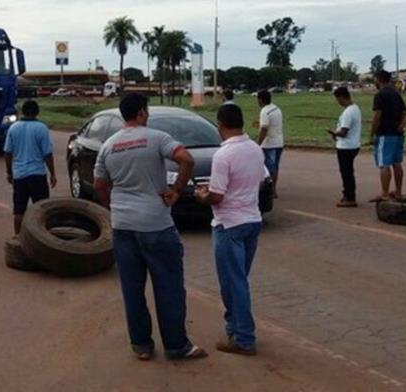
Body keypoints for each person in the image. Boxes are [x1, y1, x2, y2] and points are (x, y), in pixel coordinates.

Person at [93, 93, 207, 361]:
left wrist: (114, 208)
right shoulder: (157, 138)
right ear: (142, 113)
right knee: (168, 286)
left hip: (123, 227)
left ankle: (142, 346)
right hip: (155, 224)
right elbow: (186, 159)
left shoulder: (108, 146)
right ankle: (176, 346)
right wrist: (176, 190)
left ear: (124, 115)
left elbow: (99, 184)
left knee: (132, 288)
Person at [195, 103, 268, 356]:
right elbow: (258, 183)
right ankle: (235, 328)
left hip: (229, 224)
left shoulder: (223, 155)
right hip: (252, 220)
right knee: (239, 280)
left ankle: (244, 337)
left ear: (220, 126)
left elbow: (216, 196)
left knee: (233, 284)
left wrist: (201, 195)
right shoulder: (255, 150)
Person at [3, 100, 57, 235]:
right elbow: (47, 154)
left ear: (22, 112)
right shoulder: (41, 128)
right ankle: (43, 238)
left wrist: (9, 172)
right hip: (37, 174)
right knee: (42, 210)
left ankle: (17, 238)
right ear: (37, 112)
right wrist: (53, 174)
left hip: (20, 175)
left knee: (19, 211)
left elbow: (8, 152)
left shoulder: (13, 128)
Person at [370, 70, 406, 201]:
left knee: (384, 164)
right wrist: (400, 127)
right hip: (398, 134)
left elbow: (377, 116)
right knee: (397, 163)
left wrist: (371, 134)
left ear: (378, 79)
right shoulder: (396, 94)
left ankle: (385, 194)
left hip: (385, 134)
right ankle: (398, 191)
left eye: (374, 79)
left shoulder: (380, 95)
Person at [327, 87, 362, 208]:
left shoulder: (348, 112)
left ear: (342, 97)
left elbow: (344, 132)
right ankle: (348, 195)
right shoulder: (355, 108)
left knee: (346, 173)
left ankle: (349, 197)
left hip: (346, 147)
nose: (338, 102)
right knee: (348, 172)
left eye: (338, 99)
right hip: (354, 144)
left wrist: (333, 132)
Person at [256, 89, 283, 198]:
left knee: (268, 169)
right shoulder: (277, 109)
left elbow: (264, 129)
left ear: (261, 100)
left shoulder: (265, 111)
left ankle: (270, 191)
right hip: (279, 142)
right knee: (275, 167)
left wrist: (258, 144)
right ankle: (273, 190)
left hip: (268, 144)